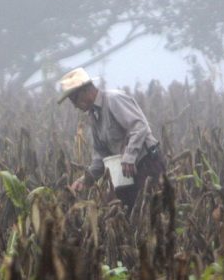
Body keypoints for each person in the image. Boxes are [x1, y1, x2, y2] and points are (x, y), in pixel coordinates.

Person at [58, 67, 165, 209]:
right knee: (116, 210)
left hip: (146, 164)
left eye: (74, 99)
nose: (75, 106)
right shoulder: (94, 116)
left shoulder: (114, 100)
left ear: (85, 91)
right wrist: (86, 179)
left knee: (148, 212)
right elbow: (101, 155)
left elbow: (139, 126)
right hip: (125, 172)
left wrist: (129, 156)